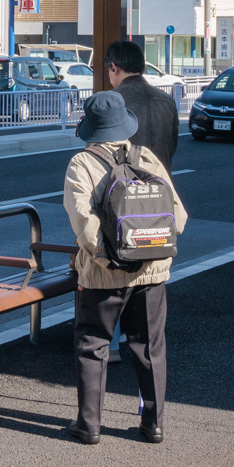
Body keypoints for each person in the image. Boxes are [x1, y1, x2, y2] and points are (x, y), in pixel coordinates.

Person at [63, 91, 185, 445]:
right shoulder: (145, 156)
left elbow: (83, 222)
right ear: (123, 125)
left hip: (104, 275)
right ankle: (153, 423)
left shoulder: (81, 164)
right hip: (152, 272)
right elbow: (177, 215)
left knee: (93, 344)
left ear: (90, 128)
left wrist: (108, 258)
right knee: (149, 347)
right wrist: (151, 250)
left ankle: (90, 426)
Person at [101, 39, 180, 171]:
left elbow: (99, 153)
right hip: (161, 182)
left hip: (124, 184)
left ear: (114, 68)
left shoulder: (108, 101)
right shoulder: (167, 101)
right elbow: (171, 147)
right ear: (143, 69)